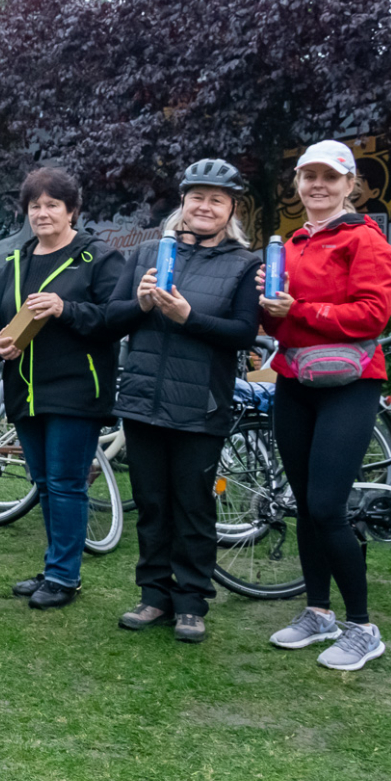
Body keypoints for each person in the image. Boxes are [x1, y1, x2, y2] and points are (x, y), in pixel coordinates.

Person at [105, 159, 260, 642]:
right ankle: (154, 596)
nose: (205, 207)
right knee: (152, 504)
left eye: (217, 199)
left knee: (193, 507)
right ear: (184, 202)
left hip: (201, 407)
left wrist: (189, 317)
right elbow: (112, 318)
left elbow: (242, 334)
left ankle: (192, 601)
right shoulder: (149, 251)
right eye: (198, 197)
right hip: (144, 400)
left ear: (230, 208)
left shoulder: (244, 263)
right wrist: (143, 304)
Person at [260, 140, 391, 671]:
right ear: (297, 183)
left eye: (329, 177)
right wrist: (268, 310)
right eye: (308, 176)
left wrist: (302, 309)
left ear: (349, 184)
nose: (317, 185)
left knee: (326, 507)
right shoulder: (290, 244)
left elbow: (371, 315)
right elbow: (278, 325)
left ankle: (363, 627)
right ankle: (318, 612)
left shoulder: (365, 240)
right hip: (295, 378)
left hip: (350, 382)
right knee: (303, 502)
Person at [0, 167, 124, 609]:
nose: (42, 213)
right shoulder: (14, 260)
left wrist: (66, 308)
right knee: (45, 483)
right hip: (25, 389)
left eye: (52, 205)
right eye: (35, 206)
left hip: (76, 389)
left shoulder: (98, 259)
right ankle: (55, 566)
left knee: (66, 483)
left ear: (72, 211)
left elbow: (114, 321)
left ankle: (64, 576)